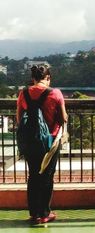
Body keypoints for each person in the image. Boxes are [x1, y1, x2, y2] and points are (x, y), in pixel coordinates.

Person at [16, 65, 68, 225]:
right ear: (48, 78)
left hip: (31, 141)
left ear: (33, 78)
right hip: (50, 142)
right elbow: (63, 118)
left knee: (33, 176)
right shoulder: (55, 93)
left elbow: (19, 117)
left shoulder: (23, 93)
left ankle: (34, 214)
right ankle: (45, 213)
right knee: (47, 177)